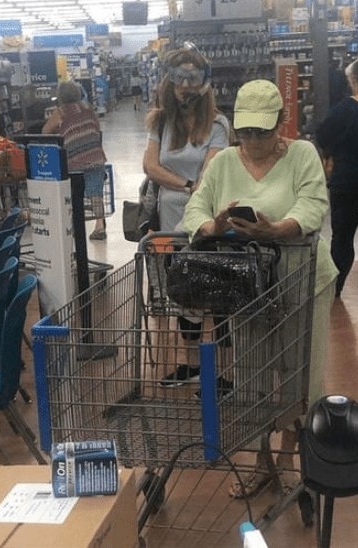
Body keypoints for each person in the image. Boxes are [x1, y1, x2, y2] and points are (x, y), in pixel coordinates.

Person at [183, 79, 338, 496]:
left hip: (301, 278)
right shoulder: (223, 164)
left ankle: (292, 461)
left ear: (282, 122)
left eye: (262, 131)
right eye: (245, 131)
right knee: (251, 375)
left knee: (298, 373)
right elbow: (194, 207)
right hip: (247, 287)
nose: (252, 140)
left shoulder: (302, 154)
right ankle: (262, 464)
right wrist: (212, 225)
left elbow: (313, 205)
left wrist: (277, 229)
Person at [143, 43, 230, 380]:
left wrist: (189, 186)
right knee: (183, 293)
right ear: (170, 82)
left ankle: (224, 374)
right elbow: (150, 165)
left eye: (193, 80)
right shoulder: (160, 121)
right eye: (180, 80)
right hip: (169, 224)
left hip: (207, 224)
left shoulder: (218, 124)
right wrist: (185, 184)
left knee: (218, 295)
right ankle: (192, 366)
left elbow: (211, 172)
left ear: (204, 83)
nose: (186, 88)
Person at [316, 56, 358, 304]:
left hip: (348, 184)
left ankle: (335, 289)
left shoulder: (345, 109)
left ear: (354, 80)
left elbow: (323, 135)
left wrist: (334, 152)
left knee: (342, 239)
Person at [42, 80, 108, 240]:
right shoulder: (88, 108)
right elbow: (97, 129)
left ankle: (73, 224)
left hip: (73, 161)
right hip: (94, 156)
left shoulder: (60, 113)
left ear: (60, 96)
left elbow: (44, 132)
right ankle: (100, 225)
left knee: (74, 195)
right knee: (96, 193)